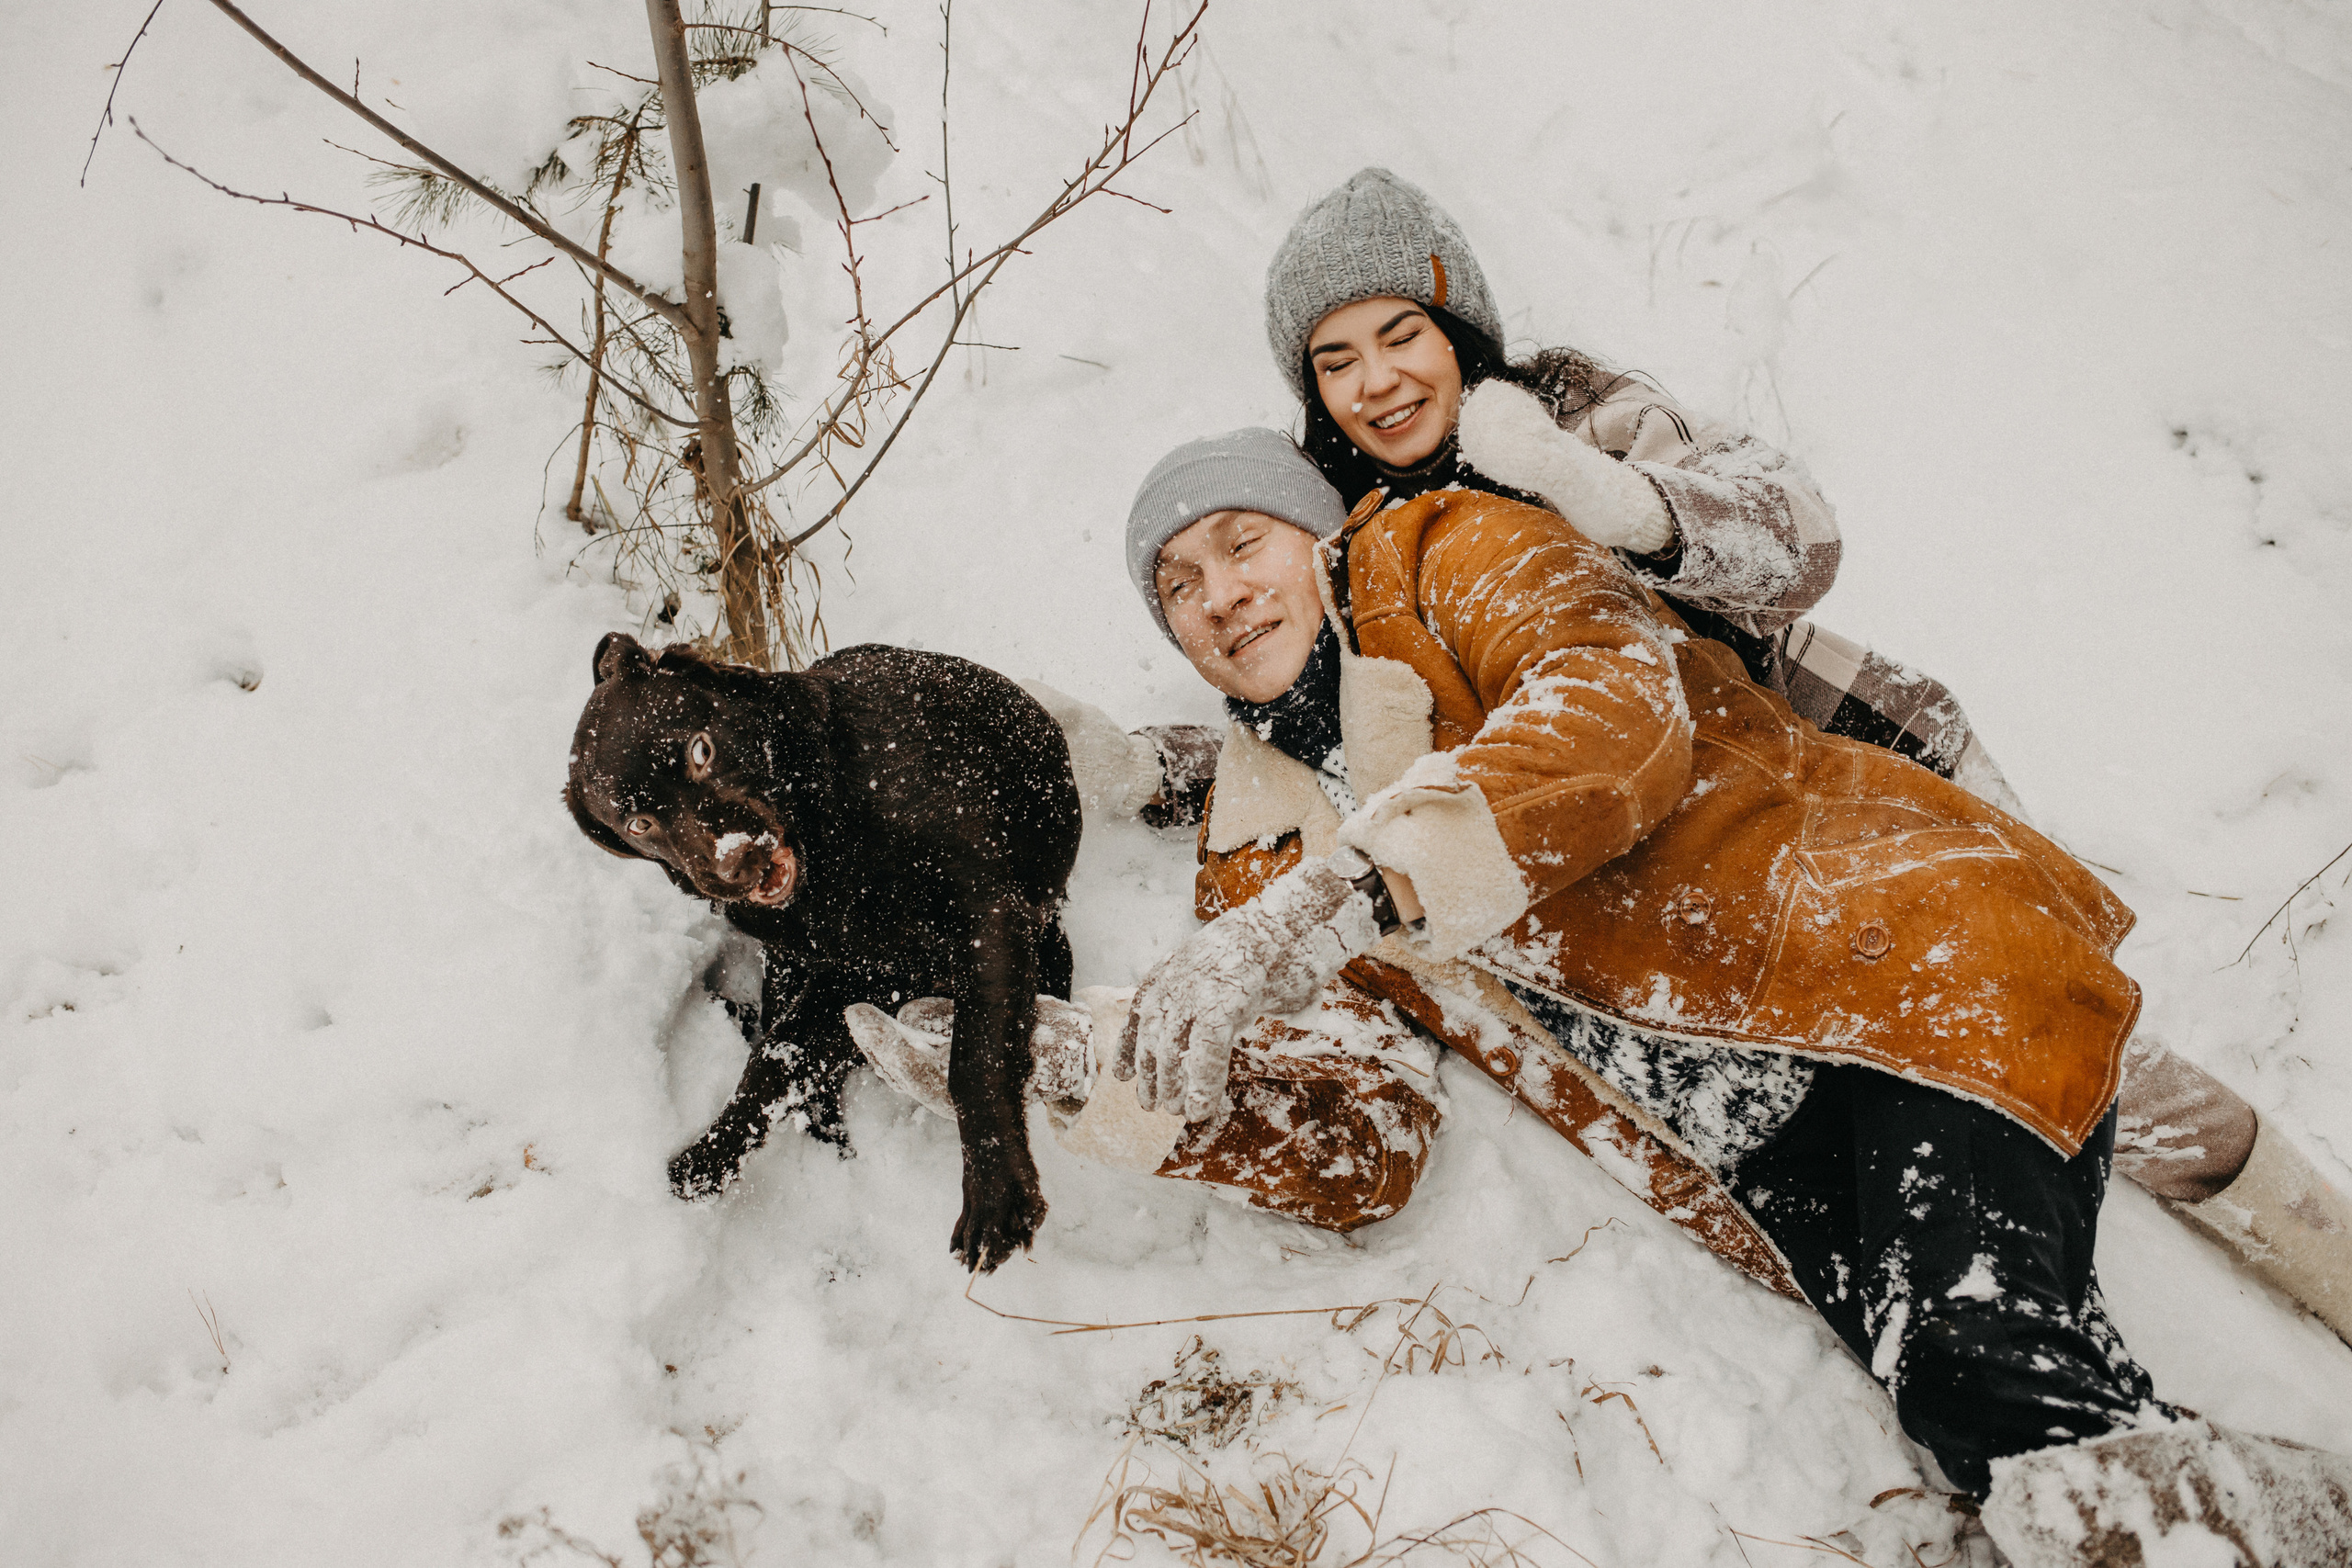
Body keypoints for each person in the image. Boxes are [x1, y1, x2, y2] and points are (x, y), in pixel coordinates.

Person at [1128, 167, 2349, 1335]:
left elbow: (1797, 541)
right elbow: (1301, 693)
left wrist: (1604, 495)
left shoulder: (1574, 411)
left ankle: (2319, 1252)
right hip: (1699, 858)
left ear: (1460, 325)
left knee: (2084, 1045)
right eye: (1333, 361)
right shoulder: (1342, 522)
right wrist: (1176, 773)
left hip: (1844, 766)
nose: (1375, 383)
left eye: (1400, 334)